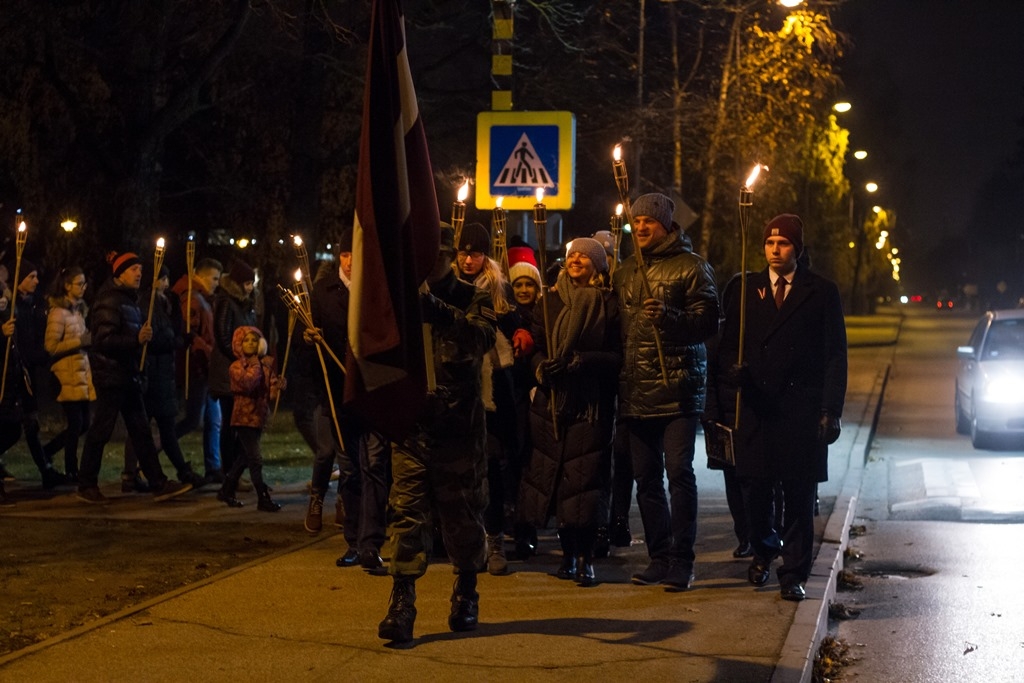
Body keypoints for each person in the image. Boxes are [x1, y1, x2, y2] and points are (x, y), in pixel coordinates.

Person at [711, 214, 847, 601]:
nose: (775, 250)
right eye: (770, 243)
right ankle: (763, 550)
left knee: (798, 493)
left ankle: (793, 572)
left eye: (783, 244)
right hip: (754, 406)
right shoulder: (744, 288)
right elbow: (727, 346)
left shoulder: (820, 291)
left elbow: (835, 354)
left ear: (797, 250)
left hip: (800, 409)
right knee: (754, 488)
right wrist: (731, 379)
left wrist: (830, 409)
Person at [378, 223, 496, 645]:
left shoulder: (472, 296)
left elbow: (482, 336)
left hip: (458, 428)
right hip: (412, 427)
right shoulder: (400, 299)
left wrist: (442, 313)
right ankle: (402, 601)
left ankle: (466, 589)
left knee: (461, 516)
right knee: (407, 514)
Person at [611, 192, 719, 592]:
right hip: (638, 391)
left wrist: (670, 317)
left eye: (649, 222)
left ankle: (682, 560)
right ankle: (658, 557)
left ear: (666, 226)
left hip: (677, 389)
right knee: (646, 478)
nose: (640, 228)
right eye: (636, 222)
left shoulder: (692, 268)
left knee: (678, 473)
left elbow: (707, 321)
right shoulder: (624, 272)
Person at [518, 237, 621, 587]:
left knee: (585, 479)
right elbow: (535, 342)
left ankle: (585, 557)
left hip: (590, 404)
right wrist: (540, 367)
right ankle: (566, 554)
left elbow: (617, 355)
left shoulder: (608, 303)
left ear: (598, 265)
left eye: (584, 256)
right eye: (572, 255)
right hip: (551, 403)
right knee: (558, 478)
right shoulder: (551, 300)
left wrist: (583, 362)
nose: (575, 260)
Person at [75, 251, 193, 504]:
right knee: (102, 430)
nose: (139, 273)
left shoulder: (130, 300)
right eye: (133, 269)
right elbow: (102, 340)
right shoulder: (109, 300)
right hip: (111, 374)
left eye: (140, 269)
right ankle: (86, 483)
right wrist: (135, 340)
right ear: (119, 274)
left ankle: (158, 482)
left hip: (128, 374)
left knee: (140, 431)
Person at [304, 230, 389, 574]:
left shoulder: (375, 291)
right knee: (351, 469)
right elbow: (305, 338)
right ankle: (353, 541)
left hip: (372, 391)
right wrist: (309, 337)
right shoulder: (322, 293)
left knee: (375, 466)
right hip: (338, 394)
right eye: (345, 255)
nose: (351, 262)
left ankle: (372, 544)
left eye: (356, 255)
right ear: (339, 258)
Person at [455, 222, 530, 575]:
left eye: (475, 253)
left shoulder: (498, 292)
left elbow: (516, 322)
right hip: (457, 391)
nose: (468, 259)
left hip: (493, 396)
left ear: (485, 256)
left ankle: (495, 538)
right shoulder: (449, 288)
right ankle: (468, 543)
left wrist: (519, 332)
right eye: (462, 252)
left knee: (493, 470)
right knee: (462, 472)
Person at [125, 265, 206, 489]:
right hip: (152, 374)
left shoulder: (164, 303)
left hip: (163, 375)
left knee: (162, 427)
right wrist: (180, 342)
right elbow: (157, 340)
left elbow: (174, 329)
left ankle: (177, 470)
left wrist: (178, 317)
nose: (167, 284)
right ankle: (134, 474)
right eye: (163, 279)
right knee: (146, 428)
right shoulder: (146, 304)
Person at [0, 258, 67, 489]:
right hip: (11, 373)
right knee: (13, 426)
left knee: (29, 424)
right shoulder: (9, 305)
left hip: (25, 373)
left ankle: (46, 470)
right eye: (31, 277)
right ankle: (45, 469)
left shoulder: (35, 304)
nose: (36, 281)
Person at [216, 325, 285, 511]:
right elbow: (247, 383)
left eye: (254, 340)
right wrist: (256, 366)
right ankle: (263, 498)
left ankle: (226, 490)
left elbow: (269, 393)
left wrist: (277, 386)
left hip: (258, 418)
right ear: (239, 344)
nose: (250, 343)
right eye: (246, 340)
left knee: (244, 458)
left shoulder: (265, 366)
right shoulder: (236, 367)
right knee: (255, 458)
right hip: (243, 418)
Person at [172, 257, 224, 483]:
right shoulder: (193, 299)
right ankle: (150, 451)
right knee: (193, 420)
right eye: (214, 278)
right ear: (200, 275)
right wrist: (209, 352)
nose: (216, 283)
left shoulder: (201, 298)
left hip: (205, 367)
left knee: (214, 419)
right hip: (198, 367)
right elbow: (189, 335)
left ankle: (214, 467)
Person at [44, 266, 96, 483]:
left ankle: (46, 451)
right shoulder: (58, 313)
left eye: (84, 284)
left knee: (83, 423)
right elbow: (50, 346)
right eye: (79, 284)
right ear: (67, 286)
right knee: (76, 423)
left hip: (80, 373)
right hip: (66, 374)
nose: (83, 288)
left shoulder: (78, 311)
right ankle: (72, 470)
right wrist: (79, 342)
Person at [209, 258, 257, 479]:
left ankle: (235, 473)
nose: (250, 287)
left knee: (240, 424)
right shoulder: (227, 302)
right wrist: (241, 358)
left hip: (240, 371)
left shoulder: (245, 303)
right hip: (229, 372)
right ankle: (229, 473)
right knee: (231, 423)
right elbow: (223, 336)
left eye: (251, 283)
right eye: (247, 283)